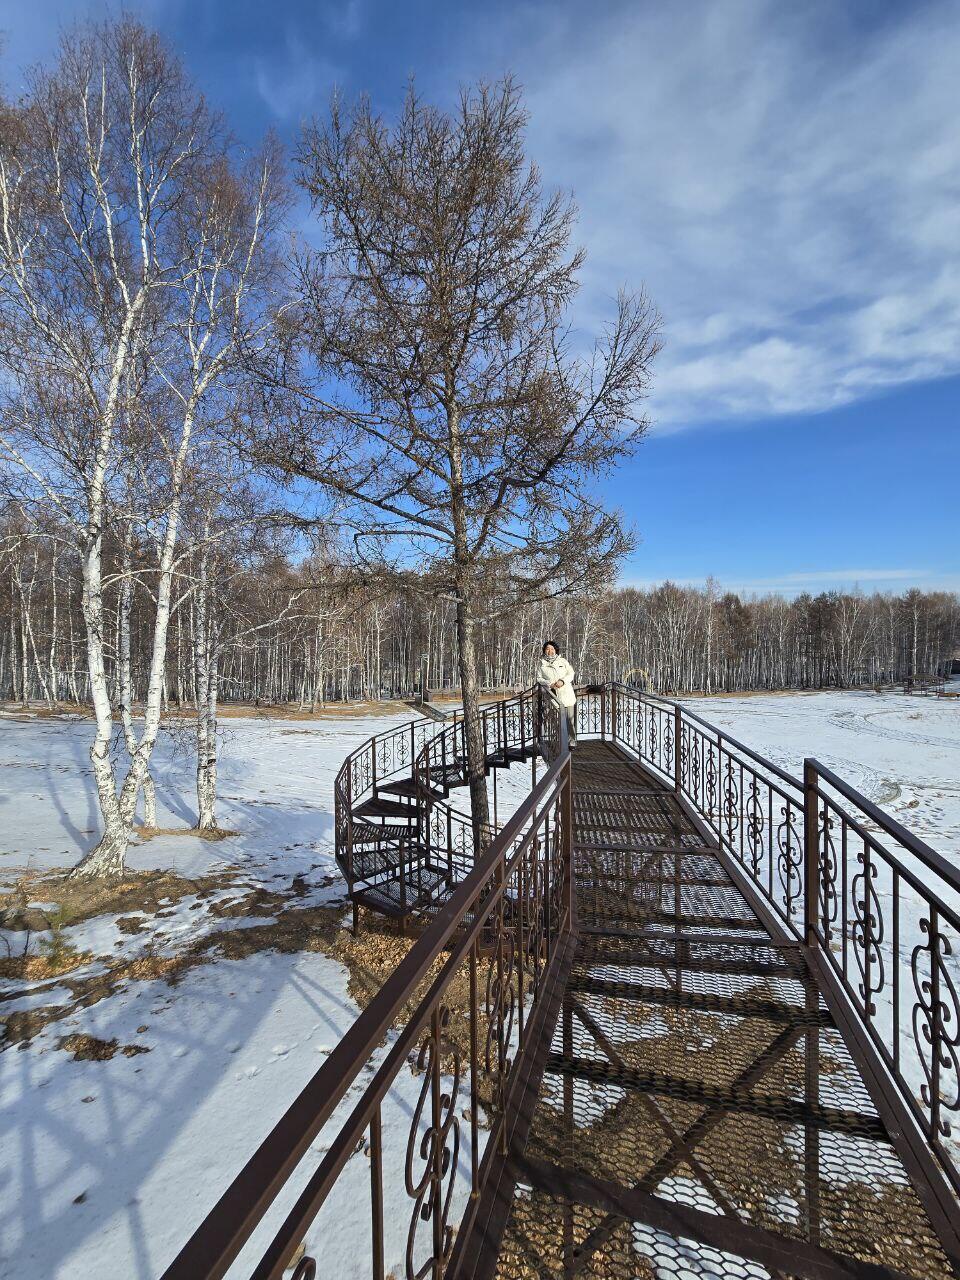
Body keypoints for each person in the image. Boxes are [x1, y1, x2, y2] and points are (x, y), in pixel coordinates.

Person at [537, 640, 578, 748]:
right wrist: (549, 683)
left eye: (552, 649)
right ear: (544, 650)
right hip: (553, 696)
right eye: (547, 649)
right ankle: (558, 742)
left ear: (556, 650)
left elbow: (571, 673)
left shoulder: (563, 661)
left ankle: (571, 740)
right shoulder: (541, 663)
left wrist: (562, 681)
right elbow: (539, 678)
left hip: (566, 695)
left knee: (570, 720)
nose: (549, 651)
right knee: (556, 722)